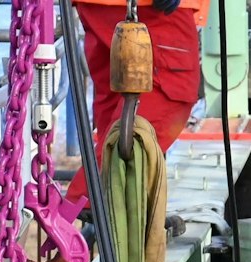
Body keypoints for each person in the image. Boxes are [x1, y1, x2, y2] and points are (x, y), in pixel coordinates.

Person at [66, 0, 209, 203]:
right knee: (169, 97)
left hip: (103, 7)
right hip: (147, 8)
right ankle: (74, 214)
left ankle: (90, 217)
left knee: (116, 110)